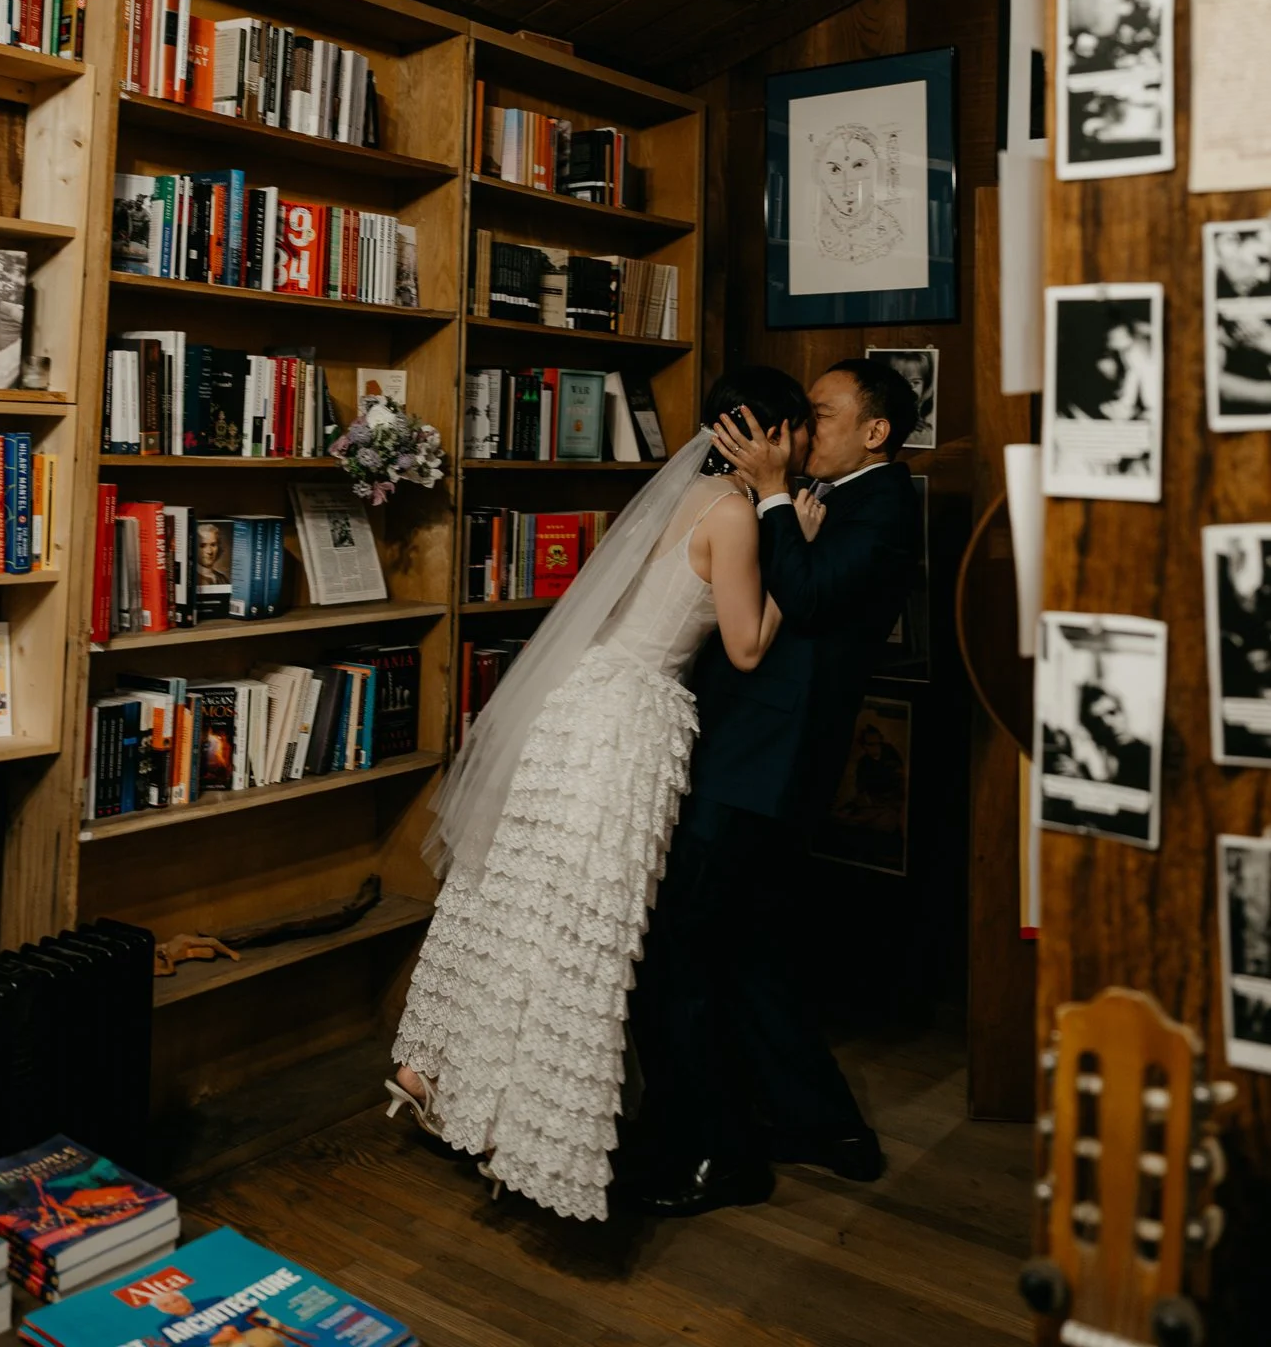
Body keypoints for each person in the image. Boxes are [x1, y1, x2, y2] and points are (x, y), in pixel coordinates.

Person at [384, 365, 814, 1222]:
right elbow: (746, 646)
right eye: (798, 429)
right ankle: (525, 1131)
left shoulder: (675, 496)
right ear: (767, 436)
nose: (805, 447)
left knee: (516, 902)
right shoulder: (732, 514)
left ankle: (442, 1073)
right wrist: (790, 536)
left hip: (575, 705)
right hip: (630, 725)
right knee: (582, 928)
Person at [622, 357, 921, 1218]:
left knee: (679, 949)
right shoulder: (806, 500)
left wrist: (772, 499)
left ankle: (714, 1153)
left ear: (873, 432)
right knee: (746, 953)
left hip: (765, 764)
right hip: (737, 750)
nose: (793, 431)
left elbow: (815, 593)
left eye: (816, 415)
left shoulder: (885, 504)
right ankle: (820, 1125)